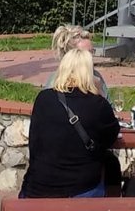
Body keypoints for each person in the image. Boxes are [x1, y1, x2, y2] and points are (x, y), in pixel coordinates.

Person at [19, 46, 121, 198]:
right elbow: (111, 137)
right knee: (111, 165)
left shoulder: (43, 99)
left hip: (37, 189)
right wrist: (99, 94)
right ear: (89, 73)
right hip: (81, 189)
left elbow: (35, 141)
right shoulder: (98, 105)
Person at [46, 24, 110, 98]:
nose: (91, 58)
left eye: (92, 52)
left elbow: (110, 106)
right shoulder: (55, 82)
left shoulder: (96, 76)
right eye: (85, 54)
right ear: (71, 56)